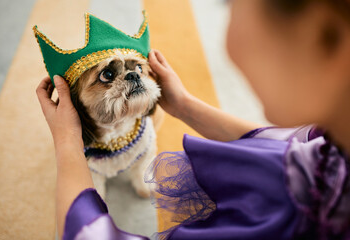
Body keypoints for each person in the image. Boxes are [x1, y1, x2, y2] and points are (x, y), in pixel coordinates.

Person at [36, 0, 350, 239]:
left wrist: (66, 142)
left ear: (325, 35)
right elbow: (288, 146)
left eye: (232, 5)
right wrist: (184, 105)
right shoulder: (331, 157)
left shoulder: (285, 214)